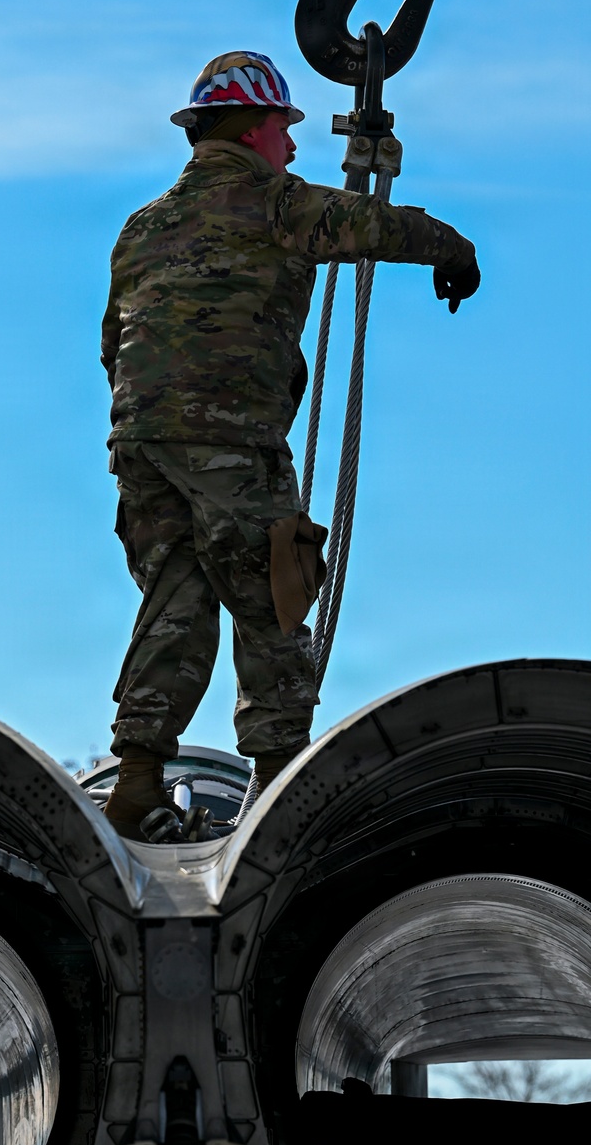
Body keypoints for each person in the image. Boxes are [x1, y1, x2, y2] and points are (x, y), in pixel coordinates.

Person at [100, 51, 480, 841]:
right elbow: (379, 225)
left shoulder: (141, 227)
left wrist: (158, 423)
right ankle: (277, 788)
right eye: (284, 128)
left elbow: (114, 341)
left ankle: (135, 783)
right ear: (253, 129)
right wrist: (455, 250)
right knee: (274, 594)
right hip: (233, 440)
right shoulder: (278, 203)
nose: (294, 145)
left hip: (142, 442)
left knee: (174, 602)